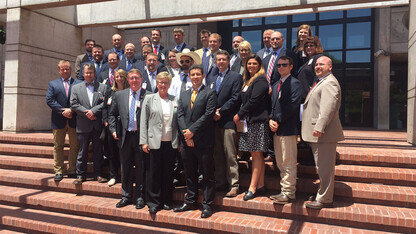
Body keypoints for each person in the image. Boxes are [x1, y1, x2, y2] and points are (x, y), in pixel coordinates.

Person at [174, 64, 217, 218]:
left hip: (203, 141)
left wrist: (192, 132)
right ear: (189, 76)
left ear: (203, 76)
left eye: (198, 74)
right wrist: (186, 134)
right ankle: (190, 200)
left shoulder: (210, 93)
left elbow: (208, 114)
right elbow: (179, 115)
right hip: (187, 142)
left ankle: (207, 204)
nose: (195, 77)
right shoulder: (184, 94)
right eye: (192, 74)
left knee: (207, 174)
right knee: (189, 173)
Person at [302, 56, 344, 209]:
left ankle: (325, 199)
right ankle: (322, 194)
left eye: (322, 64)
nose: (318, 67)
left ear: (330, 67)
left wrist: (319, 127)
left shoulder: (330, 82)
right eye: (316, 64)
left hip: (323, 133)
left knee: (325, 168)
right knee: (322, 167)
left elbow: (328, 108)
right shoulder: (322, 81)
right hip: (319, 133)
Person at [140, 71, 179, 214]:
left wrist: (179, 141)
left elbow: (178, 122)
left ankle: (166, 200)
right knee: (153, 173)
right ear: (157, 84)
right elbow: (143, 121)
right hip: (153, 142)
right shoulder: (149, 99)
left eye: (166, 82)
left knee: (168, 173)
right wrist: (143, 141)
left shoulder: (175, 99)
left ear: (169, 85)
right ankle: (153, 202)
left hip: (170, 142)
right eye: (161, 82)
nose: (163, 85)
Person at [109, 68, 148, 209]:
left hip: (141, 138)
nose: (134, 80)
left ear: (141, 79)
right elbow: (111, 114)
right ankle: (125, 196)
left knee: (140, 168)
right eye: (131, 78)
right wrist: (113, 130)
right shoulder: (119, 95)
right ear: (128, 80)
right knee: (125, 168)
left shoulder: (148, 95)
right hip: (125, 137)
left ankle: (139, 197)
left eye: (136, 78)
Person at [233, 54, 270, 201]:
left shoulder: (260, 79)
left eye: (254, 63)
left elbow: (254, 100)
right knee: (256, 154)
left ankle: (252, 188)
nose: (251, 66)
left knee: (255, 154)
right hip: (250, 122)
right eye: (249, 64)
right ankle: (260, 185)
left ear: (260, 65)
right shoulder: (248, 80)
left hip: (257, 122)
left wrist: (239, 114)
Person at [268, 56, 303, 204]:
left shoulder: (295, 84)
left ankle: (289, 193)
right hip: (276, 129)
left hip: (288, 129)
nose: (281, 67)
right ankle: (284, 191)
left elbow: (293, 106)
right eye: (279, 65)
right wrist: (270, 119)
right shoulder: (276, 84)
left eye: (284, 65)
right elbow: (272, 106)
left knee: (288, 162)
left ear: (291, 67)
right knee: (280, 162)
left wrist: (277, 120)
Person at [210, 50, 243, 197]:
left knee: (230, 154)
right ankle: (220, 182)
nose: (221, 62)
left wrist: (220, 112)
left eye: (224, 59)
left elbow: (236, 98)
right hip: (213, 123)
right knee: (217, 154)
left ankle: (234, 184)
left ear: (228, 61)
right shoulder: (212, 78)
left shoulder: (235, 77)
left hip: (227, 120)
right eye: (219, 60)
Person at [70, 63, 107, 185]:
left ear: (94, 74)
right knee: (82, 151)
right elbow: (74, 104)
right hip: (83, 124)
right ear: (83, 74)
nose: (89, 75)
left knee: (98, 151)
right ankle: (80, 175)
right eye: (86, 72)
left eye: (91, 73)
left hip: (97, 124)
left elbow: (105, 103)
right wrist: (87, 112)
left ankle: (98, 174)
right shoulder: (76, 88)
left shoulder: (102, 87)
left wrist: (93, 111)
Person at [46, 60, 80, 181]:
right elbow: (49, 100)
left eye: (67, 69)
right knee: (58, 146)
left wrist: (71, 110)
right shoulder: (52, 84)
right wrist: (62, 111)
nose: (65, 71)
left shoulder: (78, 83)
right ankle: (58, 171)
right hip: (58, 120)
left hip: (73, 118)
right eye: (63, 69)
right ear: (59, 70)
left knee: (74, 146)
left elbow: (80, 100)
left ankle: (72, 170)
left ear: (71, 70)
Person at [102, 69, 129, 187]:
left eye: (122, 76)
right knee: (112, 152)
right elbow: (104, 108)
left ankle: (125, 176)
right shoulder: (110, 92)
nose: (119, 79)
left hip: (126, 127)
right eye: (117, 76)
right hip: (112, 127)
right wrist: (106, 121)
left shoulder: (129, 91)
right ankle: (113, 176)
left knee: (125, 152)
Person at [297, 36, 324, 102]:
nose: (308, 48)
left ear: (316, 47)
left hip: (312, 98)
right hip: (303, 97)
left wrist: (312, 92)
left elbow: (318, 77)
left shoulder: (319, 58)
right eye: (306, 46)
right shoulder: (307, 60)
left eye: (311, 45)